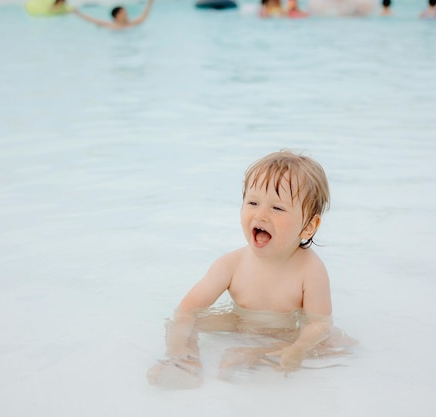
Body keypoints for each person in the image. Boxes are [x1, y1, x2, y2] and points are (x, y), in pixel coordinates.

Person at [147, 150, 356, 389]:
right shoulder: (231, 264)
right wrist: (179, 346)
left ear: (309, 226)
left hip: (286, 332)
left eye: (277, 208)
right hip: (238, 322)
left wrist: (297, 349)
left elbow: (318, 324)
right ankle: (184, 363)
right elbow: (187, 309)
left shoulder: (310, 270)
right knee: (182, 322)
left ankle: (257, 353)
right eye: (253, 202)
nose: (261, 214)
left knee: (343, 347)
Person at [72, 0, 154, 30]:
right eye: (123, 13)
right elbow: (93, 20)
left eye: (126, 12)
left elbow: (144, 16)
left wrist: (149, 2)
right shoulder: (111, 26)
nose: (126, 14)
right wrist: (78, 13)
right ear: (116, 16)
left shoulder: (131, 24)